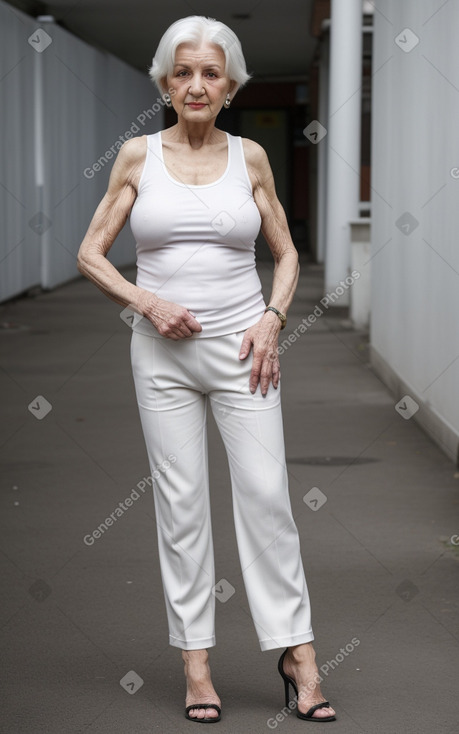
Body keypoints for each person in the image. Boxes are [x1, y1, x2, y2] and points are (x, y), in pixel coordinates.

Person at [77, 15, 336, 725]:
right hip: (160, 356)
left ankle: (298, 655)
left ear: (229, 85)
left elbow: (283, 252)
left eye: (210, 73)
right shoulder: (138, 156)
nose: (196, 84)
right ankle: (196, 662)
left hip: (242, 354)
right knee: (181, 507)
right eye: (183, 72)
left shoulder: (251, 157)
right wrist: (148, 302)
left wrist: (273, 319)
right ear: (165, 82)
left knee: (266, 500)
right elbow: (91, 253)